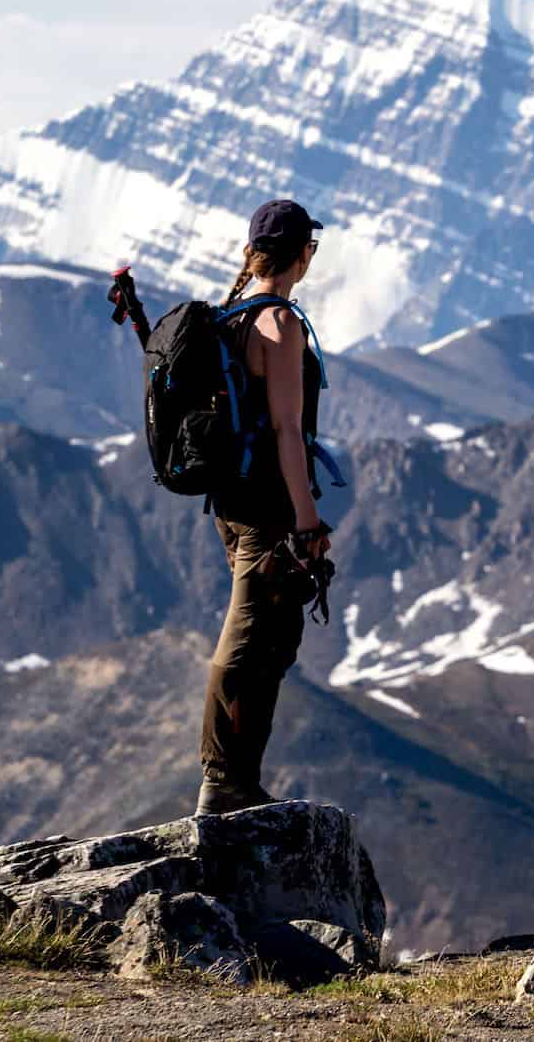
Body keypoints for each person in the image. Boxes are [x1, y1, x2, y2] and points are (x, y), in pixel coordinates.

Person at [195, 199, 335, 817]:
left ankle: (239, 780)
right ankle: (222, 781)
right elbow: (287, 431)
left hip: (231, 502)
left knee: (273, 634)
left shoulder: (230, 316)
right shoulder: (280, 324)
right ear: (303, 254)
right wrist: (308, 521)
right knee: (252, 636)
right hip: (269, 508)